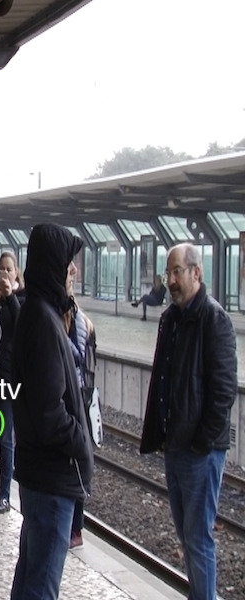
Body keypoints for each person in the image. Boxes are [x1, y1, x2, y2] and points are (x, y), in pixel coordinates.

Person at [140, 243, 237, 600]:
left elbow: (223, 391)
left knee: (198, 539)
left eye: (176, 272)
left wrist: (201, 442)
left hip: (200, 452)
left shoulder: (214, 319)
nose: (171, 281)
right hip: (176, 446)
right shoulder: (171, 318)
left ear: (197, 273)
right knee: (187, 536)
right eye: (168, 273)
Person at [10, 223, 93, 600]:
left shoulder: (42, 312)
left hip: (41, 475)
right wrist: (81, 440)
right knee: (41, 587)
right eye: (68, 262)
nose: (73, 269)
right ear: (51, 265)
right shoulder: (43, 323)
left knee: (30, 579)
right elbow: (50, 415)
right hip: (51, 477)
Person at [0, 251, 25, 515]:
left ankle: (5, 495)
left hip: (9, 378)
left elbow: (22, 325)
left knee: (6, 439)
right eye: (1, 270)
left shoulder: (22, 299)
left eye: (9, 269)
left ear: (17, 273)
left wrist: (9, 298)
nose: (5, 274)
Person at [64, 264, 96, 550]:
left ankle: (77, 526)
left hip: (76, 398)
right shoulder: (66, 314)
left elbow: (78, 354)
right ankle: (74, 525)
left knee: (78, 463)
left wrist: (59, 336)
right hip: (70, 395)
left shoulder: (79, 320)